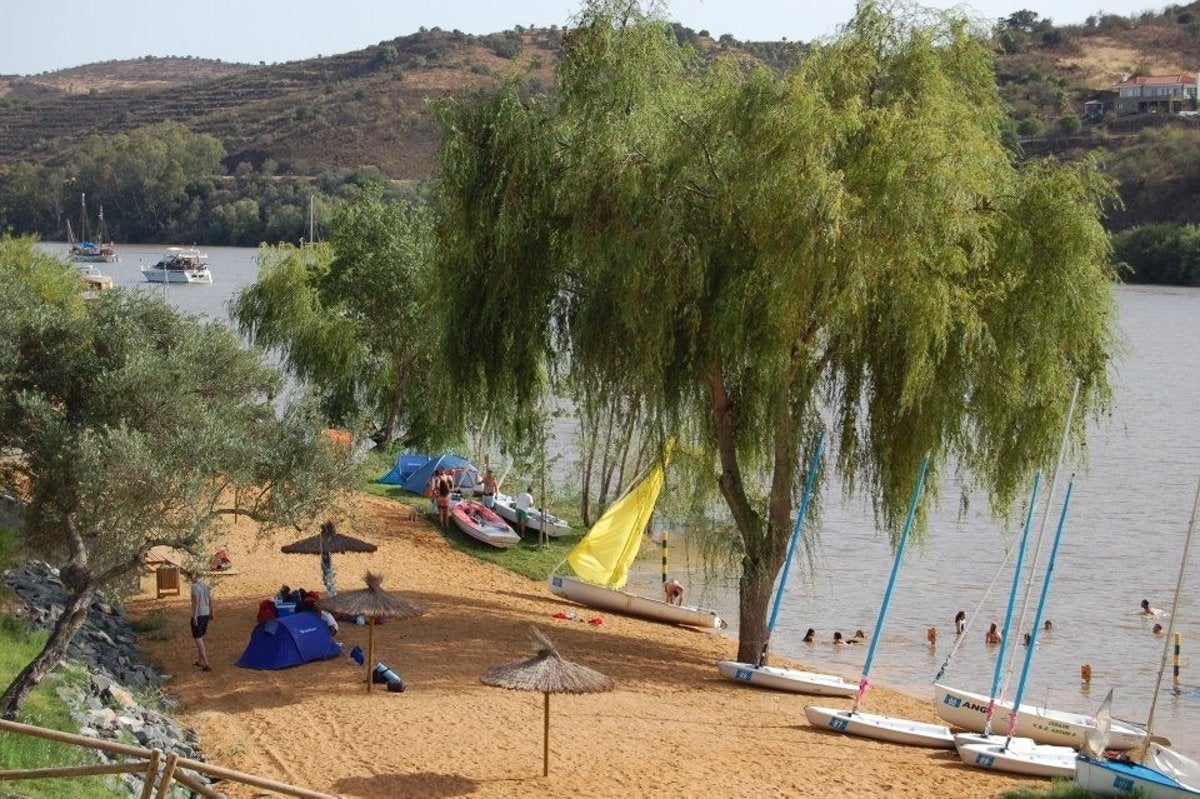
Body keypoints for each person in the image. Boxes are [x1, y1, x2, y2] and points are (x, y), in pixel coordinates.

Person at [190, 574, 213, 672]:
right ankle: (200, 661)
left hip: (199, 615)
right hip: (206, 614)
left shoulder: (194, 587)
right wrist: (212, 612)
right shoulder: (206, 586)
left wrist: (194, 616)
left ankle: (206, 662)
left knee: (198, 638)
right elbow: (210, 600)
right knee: (201, 637)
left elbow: (196, 602)